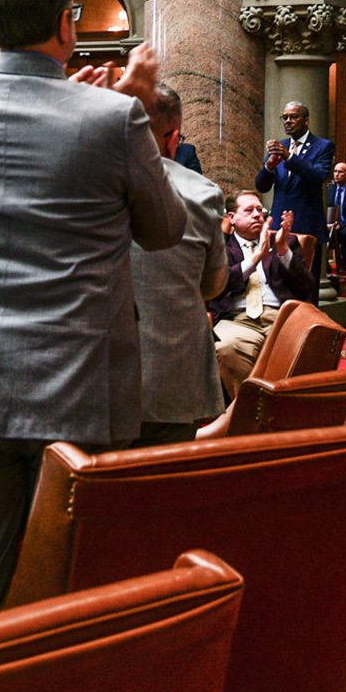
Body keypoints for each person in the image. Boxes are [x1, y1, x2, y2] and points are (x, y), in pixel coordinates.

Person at [0, 0, 185, 614]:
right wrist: (125, 106)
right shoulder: (114, 118)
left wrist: (95, 107)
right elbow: (165, 228)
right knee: (69, 590)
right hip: (76, 388)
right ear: (66, 24)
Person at [133, 84, 229, 444]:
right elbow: (213, 285)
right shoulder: (202, 193)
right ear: (173, 138)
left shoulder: (77, 183)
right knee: (163, 475)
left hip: (84, 380)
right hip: (169, 374)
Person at [211, 189, 319, 396]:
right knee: (225, 347)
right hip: (236, 319)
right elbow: (218, 284)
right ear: (232, 218)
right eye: (249, 210)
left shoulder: (285, 242)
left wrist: (282, 250)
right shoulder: (220, 246)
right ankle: (250, 406)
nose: (257, 215)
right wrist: (255, 258)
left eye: (260, 210)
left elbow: (307, 287)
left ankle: (274, 406)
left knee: (306, 343)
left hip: (280, 318)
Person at [255, 101, 335, 269]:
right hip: (279, 225)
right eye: (285, 118)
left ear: (306, 120)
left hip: (307, 224)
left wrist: (289, 157)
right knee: (276, 277)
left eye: (293, 117)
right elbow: (262, 187)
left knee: (307, 279)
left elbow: (318, 176)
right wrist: (269, 167)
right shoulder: (281, 145)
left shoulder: (323, 146)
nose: (288, 121)